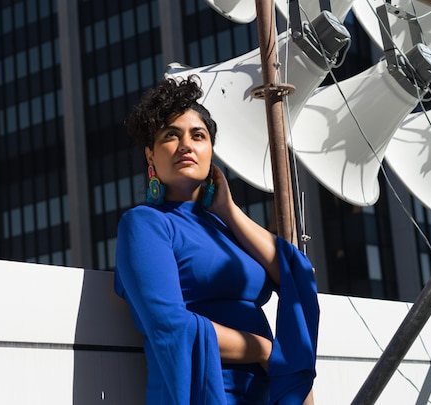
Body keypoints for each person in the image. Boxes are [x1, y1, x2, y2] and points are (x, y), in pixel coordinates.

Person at [114, 76, 319, 404]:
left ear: (210, 150)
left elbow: (297, 277)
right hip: (208, 392)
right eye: (171, 135)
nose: (186, 145)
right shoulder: (145, 224)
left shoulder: (227, 227)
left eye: (199, 135)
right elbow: (170, 325)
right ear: (150, 154)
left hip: (269, 391)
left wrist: (230, 211)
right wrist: (265, 349)